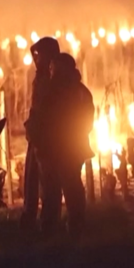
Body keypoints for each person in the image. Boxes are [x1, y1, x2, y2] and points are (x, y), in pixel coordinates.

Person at [38, 52, 94, 239]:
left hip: (58, 149)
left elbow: (43, 119)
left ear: (61, 68)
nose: (50, 70)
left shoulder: (54, 92)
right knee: (70, 188)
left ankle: (54, 230)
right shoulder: (81, 91)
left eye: (53, 67)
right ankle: (72, 227)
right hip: (70, 148)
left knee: (56, 190)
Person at [20, 36, 61, 231]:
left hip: (47, 138)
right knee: (31, 180)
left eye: (40, 55)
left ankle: (48, 222)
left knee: (48, 182)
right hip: (36, 135)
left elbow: (46, 110)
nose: (36, 58)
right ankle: (29, 218)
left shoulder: (53, 79)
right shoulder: (41, 75)